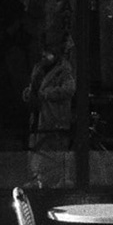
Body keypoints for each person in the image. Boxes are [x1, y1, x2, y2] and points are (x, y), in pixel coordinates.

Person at [22, 35, 76, 187]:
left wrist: (46, 94)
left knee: (52, 151)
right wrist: (29, 93)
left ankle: (53, 182)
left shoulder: (64, 70)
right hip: (38, 113)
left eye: (48, 52)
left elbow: (69, 89)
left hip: (54, 116)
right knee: (36, 148)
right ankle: (37, 178)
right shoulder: (39, 68)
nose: (45, 55)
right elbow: (34, 86)